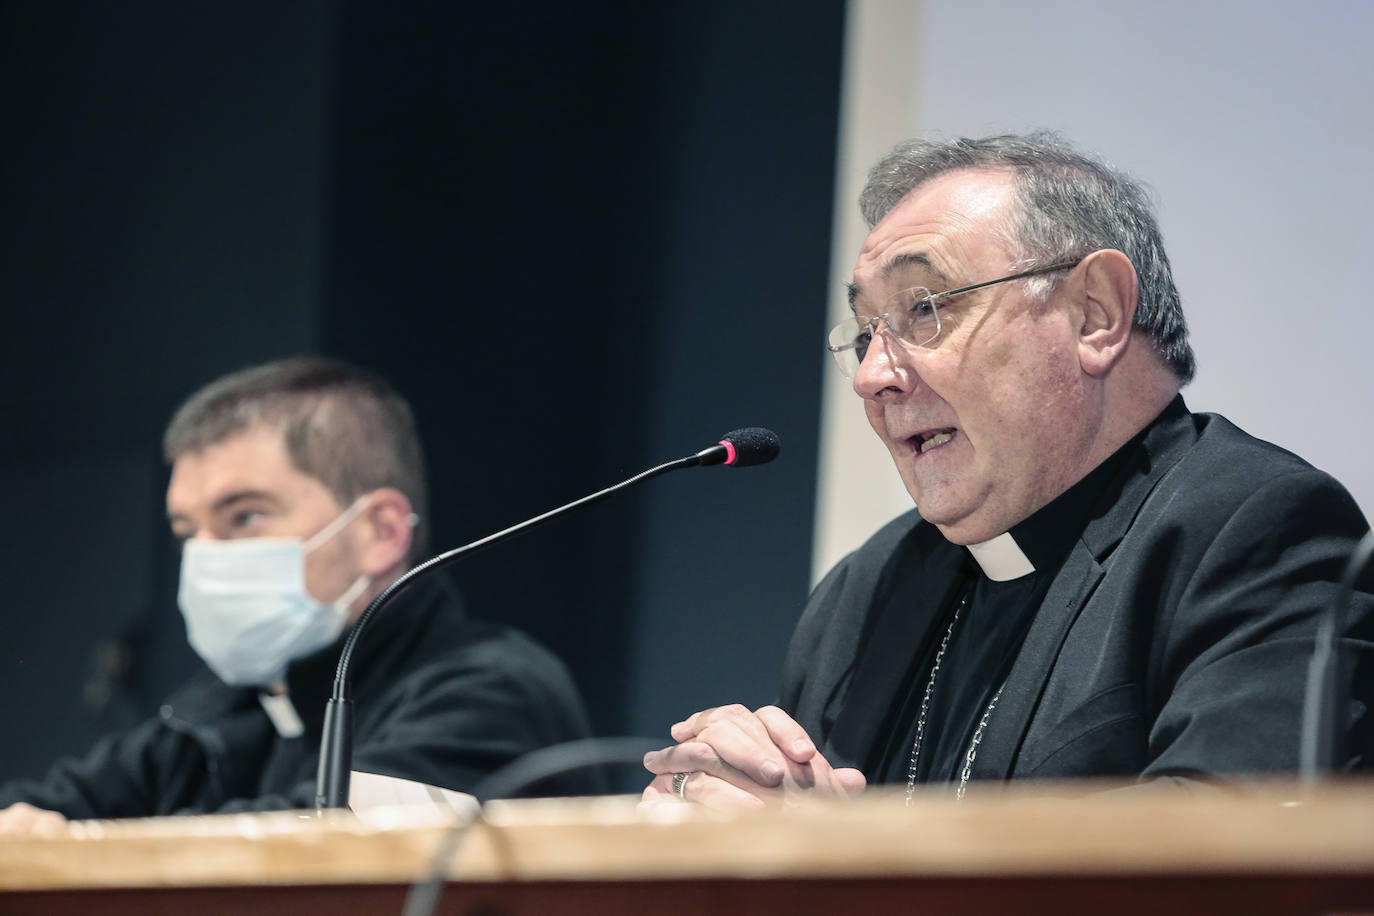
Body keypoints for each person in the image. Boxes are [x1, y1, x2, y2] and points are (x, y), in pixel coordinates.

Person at [642, 132, 1374, 808]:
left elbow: (1222, 868)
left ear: (1095, 314)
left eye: (924, 307)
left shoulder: (1258, 534)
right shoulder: (862, 595)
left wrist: (845, 867)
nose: (873, 375)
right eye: (866, 333)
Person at [0, 356, 596, 829]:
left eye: (245, 517)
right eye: (187, 531)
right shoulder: (218, 711)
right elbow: (40, 808)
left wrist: (82, 844)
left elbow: (320, 850)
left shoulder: (494, 692)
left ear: (380, 532)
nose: (204, 554)